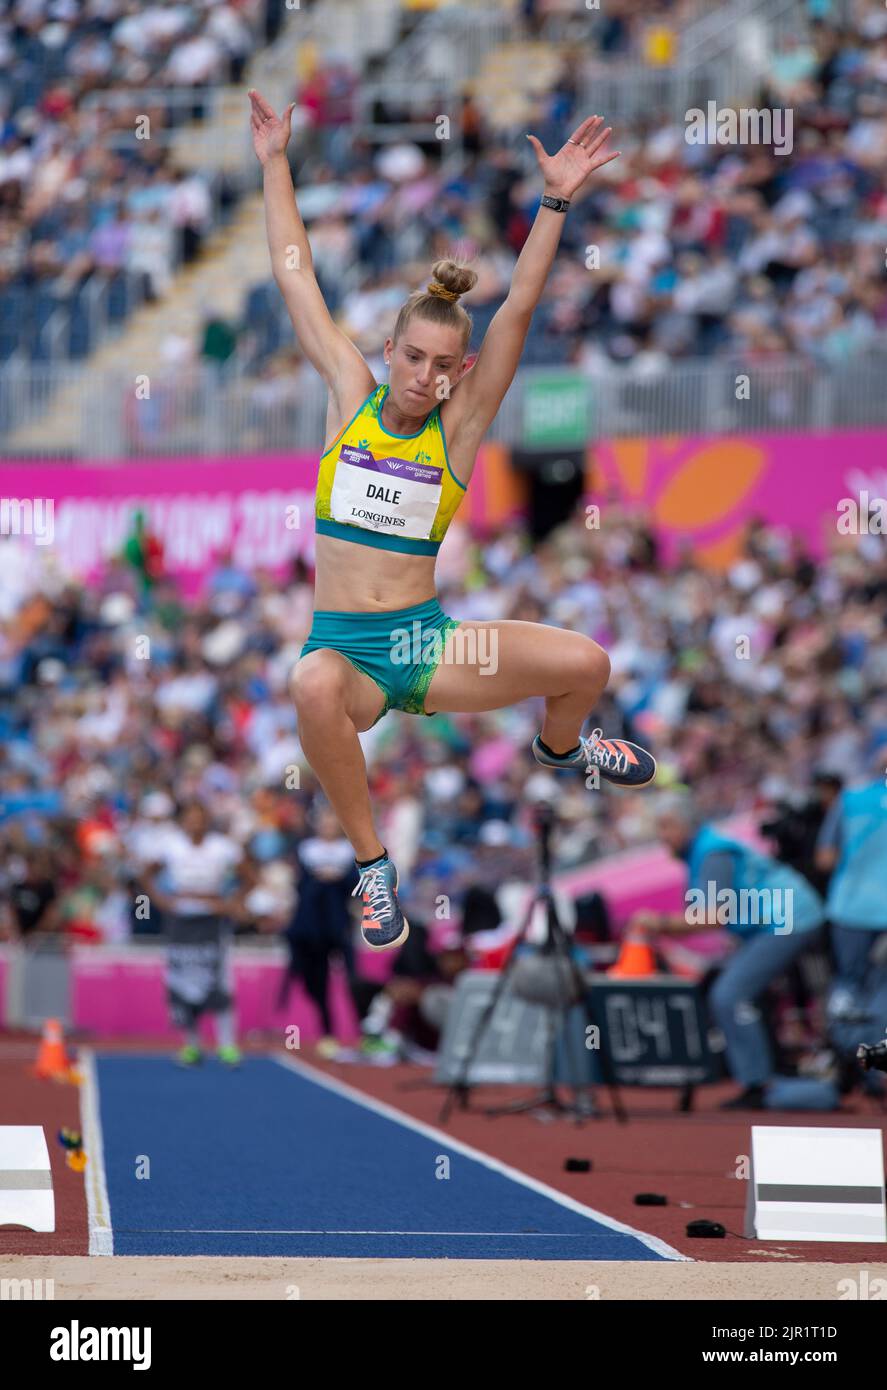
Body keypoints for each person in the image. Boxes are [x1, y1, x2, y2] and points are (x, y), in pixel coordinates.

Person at [249, 89, 657, 953]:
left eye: (442, 365)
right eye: (411, 356)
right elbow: (294, 271)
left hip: (427, 647)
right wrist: (275, 161)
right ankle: (372, 868)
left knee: (586, 663)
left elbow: (517, 310)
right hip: (348, 652)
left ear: (456, 370)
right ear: (388, 350)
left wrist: (553, 202)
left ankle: (559, 752)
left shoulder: (457, 429)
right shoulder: (348, 398)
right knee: (309, 684)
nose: (422, 375)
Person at [631, 792, 829, 1110]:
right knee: (742, 990)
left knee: (729, 995)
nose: (662, 836)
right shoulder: (706, 848)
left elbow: (712, 915)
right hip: (784, 917)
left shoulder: (711, 853)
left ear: (687, 824)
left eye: (667, 826)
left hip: (788, 918)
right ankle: (769, 1073)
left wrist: (658, 923)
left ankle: (758, 1084)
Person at [144, 801, 248, 1067]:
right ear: (182, 822)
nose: (195, 824)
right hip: (180, 918)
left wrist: (231, 902)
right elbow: (145, 874)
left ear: (207, 821)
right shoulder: (170, 846)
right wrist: (162, 900)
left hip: (212, 918)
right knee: (181, 980)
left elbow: (250, 877)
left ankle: (227, 1045)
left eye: (200, 818)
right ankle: (191, 1044)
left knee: (221, 980)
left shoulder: (222, 847)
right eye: (190, 818)